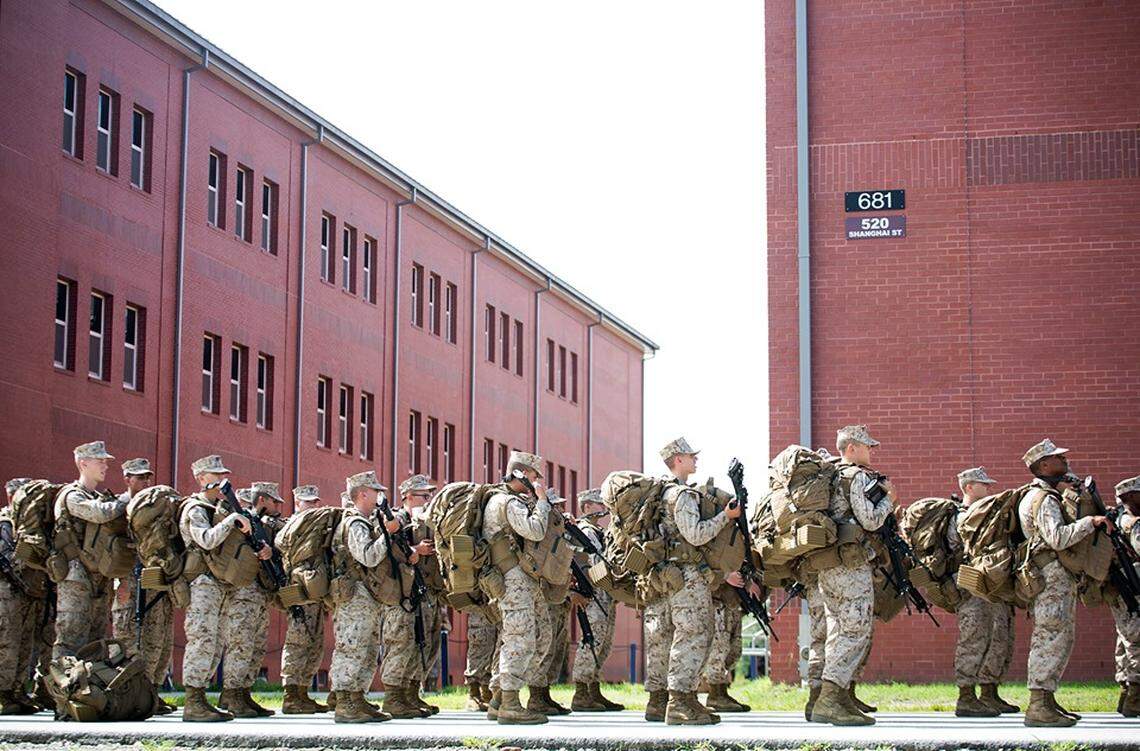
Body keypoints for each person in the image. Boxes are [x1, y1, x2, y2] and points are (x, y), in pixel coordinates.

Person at [642, 437, 738, 726]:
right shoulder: (681, 495)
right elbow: (695, 535)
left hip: (669, 573)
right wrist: (726, 516)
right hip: (686, 574)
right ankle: (680, 703)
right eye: (691, 456)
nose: (696, 459)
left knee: (680, 635)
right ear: (678, 460)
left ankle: (681, 699)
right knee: (694, 634)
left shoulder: (661, 493)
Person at [1018, 438, 1113, 727]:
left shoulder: (1047, 495)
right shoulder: (1043, 499)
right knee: (1050, 637)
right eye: (1058, 458)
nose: (1065, 460)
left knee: (1059, 637)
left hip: (1055, 576)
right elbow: (1057, 538)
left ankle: (1046, 700)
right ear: (1044, 465)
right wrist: (1090, 522)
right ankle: (1038, 706)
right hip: (1051, 577)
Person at [809, 426, 894, 727]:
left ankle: (837, 698)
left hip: (827, 566)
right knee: (855, 631)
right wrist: (889, 499)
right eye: (868, 446)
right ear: (852, 448)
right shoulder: (855, 477)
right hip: (850, 567)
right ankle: (831, 699)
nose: (872, 451)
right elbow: (870, 519)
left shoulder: (829, 475)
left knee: (837, 631)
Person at [179, 455, 270, 722]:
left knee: (216, 642)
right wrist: (231, 521)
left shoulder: (221, 508)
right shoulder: (195, 509)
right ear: (201, 478)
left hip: (221, 584)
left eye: (222, 475)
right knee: (202, 639)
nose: (221, 480)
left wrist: (260, 548)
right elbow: (206, 540)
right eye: (215, 475)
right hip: (202, 583)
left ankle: (202, 699)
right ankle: (193, 701)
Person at [482, 451, 553, 725]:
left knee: (537, 635)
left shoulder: (510, 500)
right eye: (534, 477)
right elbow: (535, 530)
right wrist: (542, 501)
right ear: (521, 474)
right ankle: (510, 704)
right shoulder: (507, 502)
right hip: (512, 579)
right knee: (519, 638)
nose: (537, 483)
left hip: (521, 578)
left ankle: (499, 699)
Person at [328, 471, 401, 723]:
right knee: (352, 646)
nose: (379, 496)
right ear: (362, 494)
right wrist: (387, 534)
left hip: (367, 595)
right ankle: (344, 701)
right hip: (354, 596)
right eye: (375, 491)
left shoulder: (367, 521)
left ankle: (357, 697)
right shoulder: (354, 523)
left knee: (368, 649)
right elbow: (368, 556)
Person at [948, 467, 1016, 717]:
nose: (988, 488)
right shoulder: (960, 517)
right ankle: (966, 696)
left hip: (991, 584)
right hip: (971, 585)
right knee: (973, 637)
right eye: (983, 484)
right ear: (968, 487)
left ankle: (989, 692)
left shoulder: (987, 514)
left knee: (999, 636)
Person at [110, 458, 176, 714]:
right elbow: (113, 548)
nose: (146, 482)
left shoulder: (156, 508)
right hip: (128, 580)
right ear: (127, 479)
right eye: (139, 478)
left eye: (148, 477)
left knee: (157, 640)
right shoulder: (119, 507)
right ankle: (128, 695)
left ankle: (151, 693)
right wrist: (121, 580)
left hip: (154, 580)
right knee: (127, 639)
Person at [53, 441, 125, 658]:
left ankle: (88, 680)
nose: (105, 466)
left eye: (105, 462)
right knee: (70, 639)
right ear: (83, 464)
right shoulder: (72, 496)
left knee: (95, 642)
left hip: (98, 577)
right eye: (100, 461)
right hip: (75, 577)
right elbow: (100, 513)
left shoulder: (97, 497)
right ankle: (59, 680)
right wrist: (128, 498)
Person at [378, 474, 438, 719]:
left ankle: (410, 693)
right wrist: (415, 550)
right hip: (401, 594)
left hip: (422, 592)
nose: (429, 499)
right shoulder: (396, 520)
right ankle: (393, 697)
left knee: (422, 642)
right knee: (400, 642)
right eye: (424, 495)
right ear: (409, 497)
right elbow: (384, 552)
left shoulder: (423, 521)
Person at [568, 488, 624, 712]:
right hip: (593, 593)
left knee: (604, 643)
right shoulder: (585, 531)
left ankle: (594, 690)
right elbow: (594, 562)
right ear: (586, 507)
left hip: (605, 592)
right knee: (591, 641)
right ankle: (581, 692)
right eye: (598, 504)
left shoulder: (599, 531)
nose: (603, 508)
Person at [280, 484, 330, 714]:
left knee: (315, 643)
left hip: (315, 591)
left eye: (315, 501)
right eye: (308, 502)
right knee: (297, 642)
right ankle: (291, 695)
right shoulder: (290, 527)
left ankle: (302, 692)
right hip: (299, 591)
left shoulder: (317, 527)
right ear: (297, 503)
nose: (313, 505)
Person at [0, 477, 46, 714]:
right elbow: (7, 558)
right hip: (9, 591)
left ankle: (18, 691)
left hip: (29, 591)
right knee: (8, 642)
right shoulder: (6, 522)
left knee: (26, 643)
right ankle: (3, 694)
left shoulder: (30, 523)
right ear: (12, 496)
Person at [1112, 475, 1140, 718]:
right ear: (1129, 496)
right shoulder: (1134, 523)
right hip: (1134, 586)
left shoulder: (1118, 519)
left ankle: (1126, 693)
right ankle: (1135, 697)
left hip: (1122, 587)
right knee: (1136, 640)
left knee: (1126, 638)